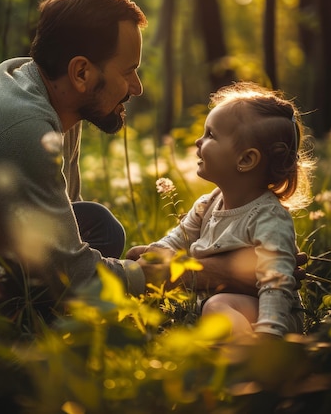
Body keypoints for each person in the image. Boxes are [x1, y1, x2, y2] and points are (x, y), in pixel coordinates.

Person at [0, 0, 149, 309]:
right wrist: (152, 275)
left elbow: (64, 226)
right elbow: (76, 278)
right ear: (81, 72)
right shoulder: (23, 125)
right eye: (128, 72)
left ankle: (11, 308)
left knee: (99, 225)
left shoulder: (52, 96)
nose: (137, 88)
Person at [126, 82, 314, 338]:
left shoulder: (269, 217)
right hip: (215, 306)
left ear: (246, 160)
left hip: (268, 317)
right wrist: (155, 254)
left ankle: (251, 359)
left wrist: (271, 334)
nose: (198, 140)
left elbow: (276, 285)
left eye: (211, 135)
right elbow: (176, 239)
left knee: (217, 306)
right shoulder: (207, 204)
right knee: (144, 274)